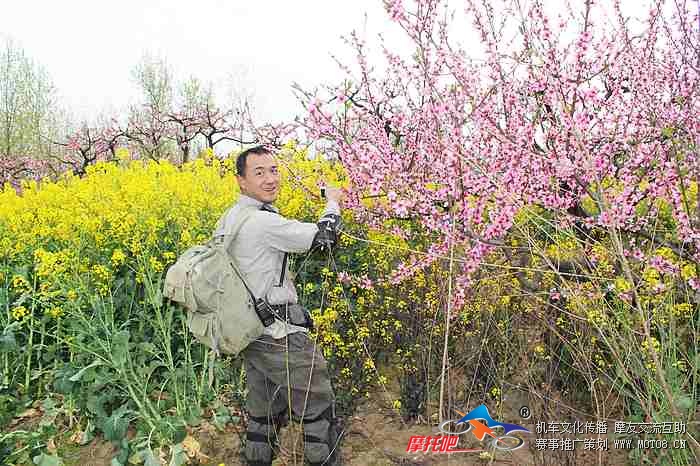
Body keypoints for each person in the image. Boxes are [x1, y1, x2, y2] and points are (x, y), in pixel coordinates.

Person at [213, 145, 344, 466]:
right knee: (316, 403)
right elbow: (324, 236)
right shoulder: (261, 223)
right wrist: (333, 202)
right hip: (278, 334)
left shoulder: (231, 217)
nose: (270, 179)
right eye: (259, 173)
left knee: (264, 409)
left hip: (249, 332)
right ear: (241, 181)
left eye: (273, 170)